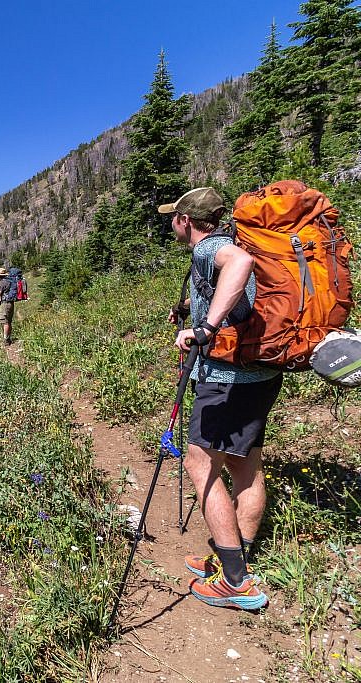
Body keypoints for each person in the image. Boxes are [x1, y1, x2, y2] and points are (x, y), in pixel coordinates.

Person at [159, 187, 282, 611]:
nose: (171, 223)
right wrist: (196, 306)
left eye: (173, 217)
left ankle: (235, 582)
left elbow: (240, 265)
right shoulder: (227, 242)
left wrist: (206, 327)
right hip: (260, 372)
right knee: (245, 463)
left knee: (199, 463)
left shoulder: (213, 247)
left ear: (185, 221)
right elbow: (240, 290)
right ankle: (234, 557)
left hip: (227, 378)